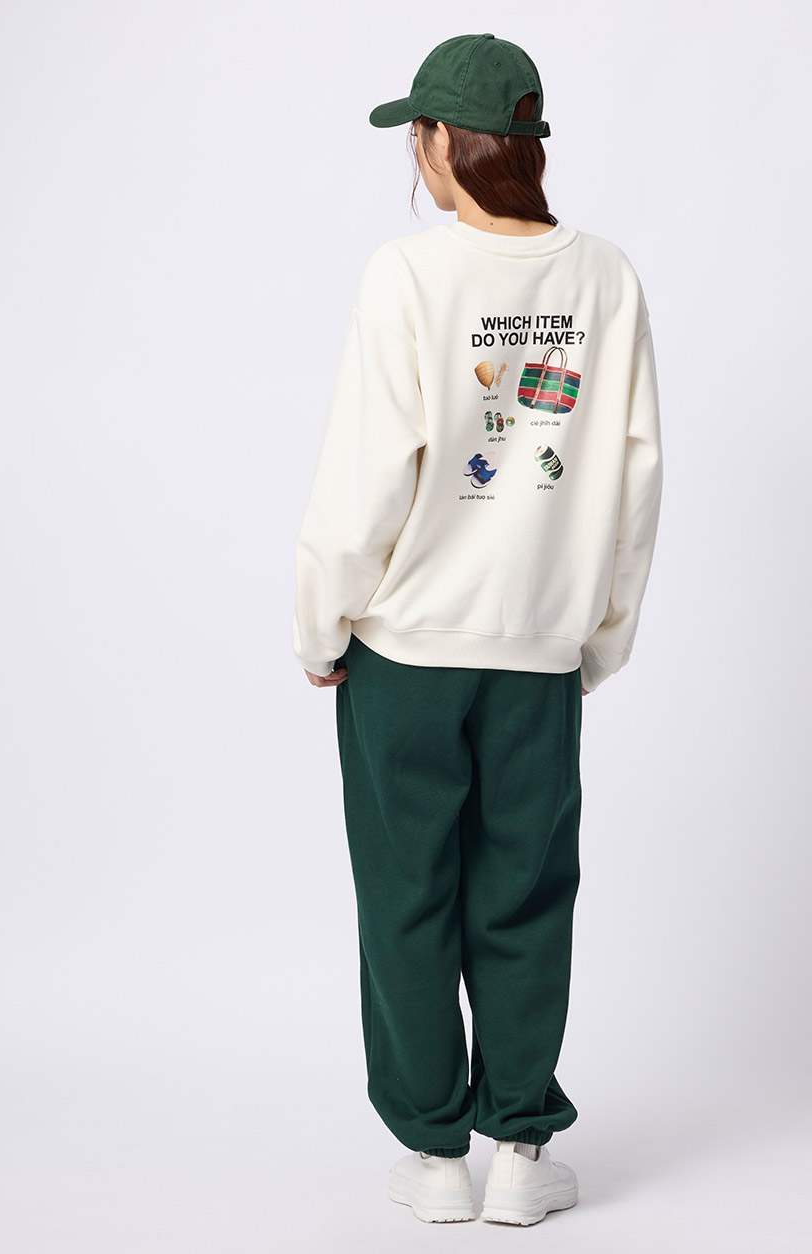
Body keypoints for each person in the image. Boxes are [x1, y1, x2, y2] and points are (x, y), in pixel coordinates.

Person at [291, 32, 663, 1226]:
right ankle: (519, 1154)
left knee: (407, 895)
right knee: (525, 894)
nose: (417, 153)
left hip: (406, 653)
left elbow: (366, 474)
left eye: (420, 133)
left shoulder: (406, 276)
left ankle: (435, 1159)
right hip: (537, 654)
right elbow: (635, 476)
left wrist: (320, 625)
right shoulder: (604, 278)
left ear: (443, 141)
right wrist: (597, 639)